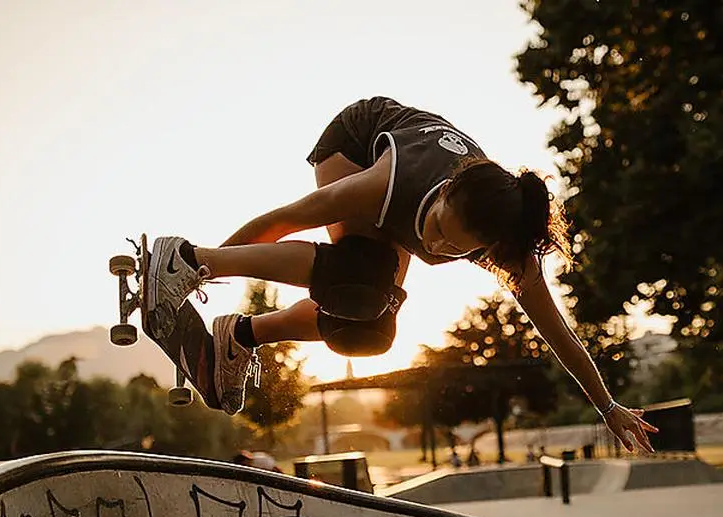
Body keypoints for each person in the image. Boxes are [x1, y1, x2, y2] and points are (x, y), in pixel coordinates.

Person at [143, 96, 657, 453]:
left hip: (416, 184)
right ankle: (183, 258)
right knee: (359, 277)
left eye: (457, 249)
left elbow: (556, 330)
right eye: (436, 229)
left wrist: (607, 405)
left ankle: (242, 335)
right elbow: (285, 220)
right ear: (447, 191)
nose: (436, 245)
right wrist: (201, 267)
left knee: (368, 330)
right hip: (356, 140)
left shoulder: (508, 246)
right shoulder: (387, 182)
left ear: (489, 248)